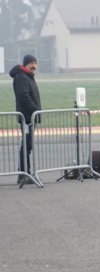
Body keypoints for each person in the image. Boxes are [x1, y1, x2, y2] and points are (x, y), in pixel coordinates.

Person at [10, 54, 41, 183]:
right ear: (25, 64)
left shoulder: (28, 77)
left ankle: (24, 173)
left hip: (30, 117)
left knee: (28, 146)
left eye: (35, 63)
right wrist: (35, 110)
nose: (33, 65)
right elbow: (24, 97)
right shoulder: (21, 77)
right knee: (26, 146)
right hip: (26, 118)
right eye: (31, 63)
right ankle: (24, 174)